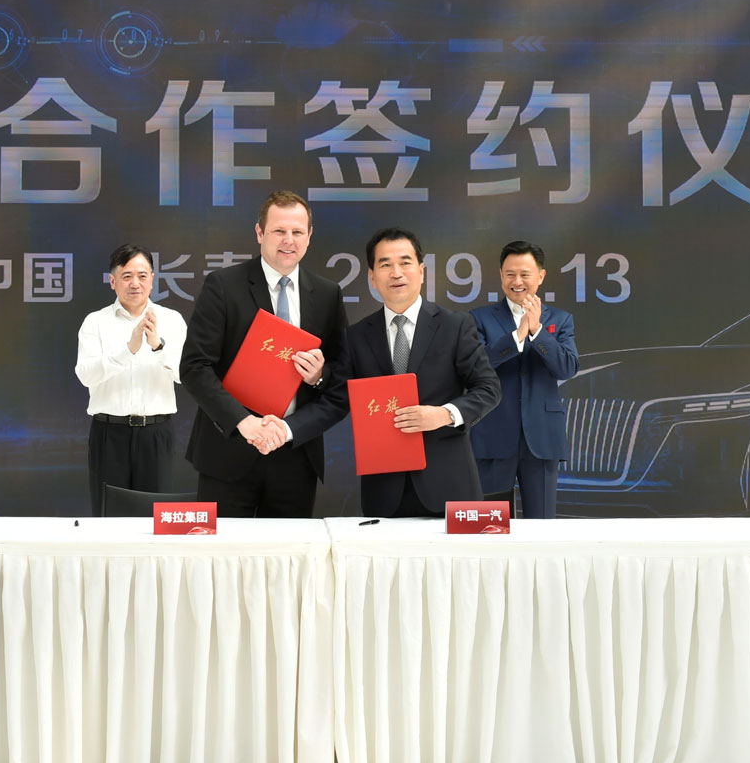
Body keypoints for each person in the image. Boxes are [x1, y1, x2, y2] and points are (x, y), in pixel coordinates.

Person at [180, 191, 348, 517]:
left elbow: (340, 378)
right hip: (230, 450)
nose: (288, 240)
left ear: (309, 236)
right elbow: (195, 367)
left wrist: (319, 377)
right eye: (278, 231)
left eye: (297, 232)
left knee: (290, 551)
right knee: (225, 550)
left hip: (296, 454)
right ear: (260, 233)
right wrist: (245, 423)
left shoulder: (328, 294)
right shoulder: (223, 286)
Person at [344, 227, 501, 518]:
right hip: (383, 491)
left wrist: (444, 414)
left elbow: (489, 389)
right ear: (372, 277)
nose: (396, 273)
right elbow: (339, 397)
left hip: (450, 487)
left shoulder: (455, 326)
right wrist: (316, 378)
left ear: (421, 270)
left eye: (405, 262)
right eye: (385, 264)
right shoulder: (356, 336)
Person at [74, 244, 188, 515]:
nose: (135, 283)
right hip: (109, 433)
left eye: (142, 276)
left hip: (156, 434)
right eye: (127, 276)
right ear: (113, 281)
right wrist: (128, 350)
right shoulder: (95, 322)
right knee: (109, 515)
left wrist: (158, 346)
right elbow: (86, 375)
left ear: (152, 280)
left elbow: (185, 375)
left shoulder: (172, 320)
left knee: (155, 517)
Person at [469, 240, 579, 518]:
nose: (517, 282)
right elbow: (475, 366)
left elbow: (567, 368)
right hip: (493, 434)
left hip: (541, 437)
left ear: (540, 276)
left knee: (541, 526)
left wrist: (537, 331)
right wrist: (518, 335)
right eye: (510, 274)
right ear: (501, 275)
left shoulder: (561, 320)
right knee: (489, 525)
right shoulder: (479, 318)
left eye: (524, 274)